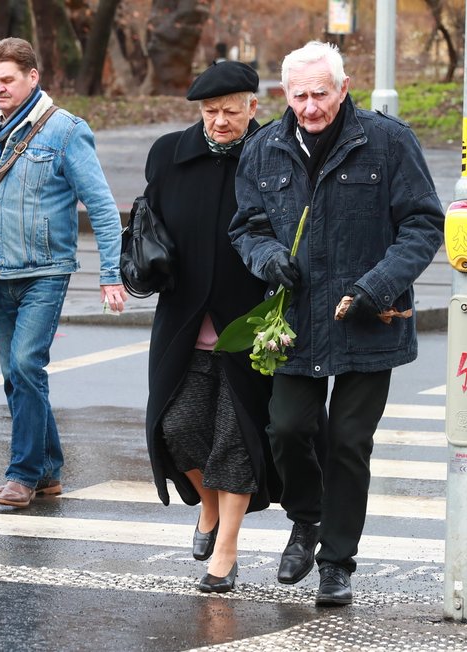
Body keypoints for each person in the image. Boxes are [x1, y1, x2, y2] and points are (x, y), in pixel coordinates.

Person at [230, 41, 444, 606]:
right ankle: (307, 518)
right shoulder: (264, 149)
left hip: (371, 321)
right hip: (295, 321)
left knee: (349, 440)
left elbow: (423, 225)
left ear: (344, 89)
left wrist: (376, 285)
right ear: (283, 95)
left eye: (320, 94)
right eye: (298, 95)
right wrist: (267, 257)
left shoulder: (388, 141)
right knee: (288, 428)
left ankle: (337, 562)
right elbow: (247, 227)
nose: (309, 106)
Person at [0, 37, 127, 509]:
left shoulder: (65, 131)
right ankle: (50, 470)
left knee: (28, 366)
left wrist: (110, 274)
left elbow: (102, 208)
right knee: (15, 375)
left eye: (7, 80)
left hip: (45, 272)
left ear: (33, 77)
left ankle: (23, 473)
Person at [143, 61, 279, 593]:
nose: (219, 122)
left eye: (230, 111)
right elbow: (149, 219)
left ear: (253, 107)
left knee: (236, 440)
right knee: (176, 428)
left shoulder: (275, 154)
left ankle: (225, 552)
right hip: (183, 318)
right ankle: (208, 509)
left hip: (250, 323)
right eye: (209, 111)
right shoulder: (169, 153)